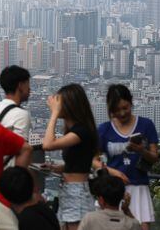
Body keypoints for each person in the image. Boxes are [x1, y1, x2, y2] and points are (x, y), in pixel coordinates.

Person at [94, 84, 158, 230]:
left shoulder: (145, 125)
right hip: (112, 189)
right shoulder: (104, 130)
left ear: (131, 103)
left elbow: (154, 157)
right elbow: (93, 160)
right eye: (117, 110)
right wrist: (112, 172)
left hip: (138, 186)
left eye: (125, 108)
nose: (122, 113)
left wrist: (142, 150)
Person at [42, 83, 97, 230]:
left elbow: (47, 144)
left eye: (60, 102)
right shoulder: (75, 131)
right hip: (70, 189)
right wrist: (55, 168)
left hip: (77, 191)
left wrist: (53, 114)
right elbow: (78, 163)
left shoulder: (81, 131)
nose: (57, 106)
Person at [0, 65, 32, 141]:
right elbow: (20, 149)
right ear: (20, 86)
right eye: (28, 85)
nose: (29, 89)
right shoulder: (21, 114)